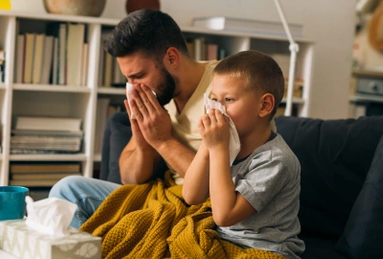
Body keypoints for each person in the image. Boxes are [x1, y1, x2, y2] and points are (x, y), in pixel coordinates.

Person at [49, 8, 220, 228]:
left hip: (199, 205)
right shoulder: (159, 94)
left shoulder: (226, 88)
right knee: (67, 190)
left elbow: (219, 185)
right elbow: (130, 178)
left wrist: (163, 141)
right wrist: (143, 139)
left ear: (171, 57)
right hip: (161, 195)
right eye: (128, 79)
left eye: (138, 76)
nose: (134, 87)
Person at [182, 50, 305, 258]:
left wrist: (218, 149)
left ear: (264, 105)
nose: (217, 109)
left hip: (266, 249)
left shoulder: (276, 160)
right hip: (225, 241)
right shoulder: (227, 144)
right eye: (213, 99)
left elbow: (224, 215)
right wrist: (207, 145)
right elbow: (191, 196)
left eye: (228, 99)